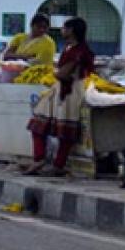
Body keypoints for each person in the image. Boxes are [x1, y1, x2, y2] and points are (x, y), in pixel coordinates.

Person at [24, 17, 96, 176]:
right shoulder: (69, 48)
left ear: (71, 30)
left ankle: (58, 165)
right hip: (60, 88)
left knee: (65, 131)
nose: (62, 31)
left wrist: (57, 73)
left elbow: (64, 73)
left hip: (71, 90)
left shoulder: (80, 50)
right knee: (38, 123)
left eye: (64, 28)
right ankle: (39, 159)